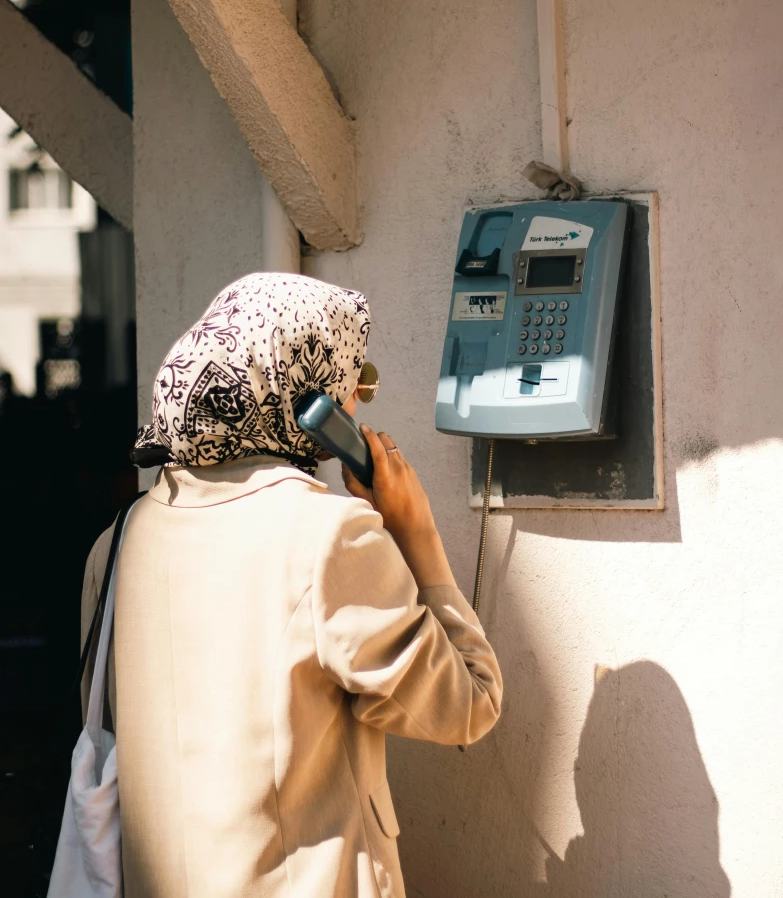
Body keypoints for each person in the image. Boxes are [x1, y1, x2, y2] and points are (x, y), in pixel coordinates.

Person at [80, 273, 502, 898]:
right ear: (315, 400)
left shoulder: (119, 539)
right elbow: (467, 705)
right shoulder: (330, 537)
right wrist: (417, 535)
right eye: (355, 381)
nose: (360, 403)